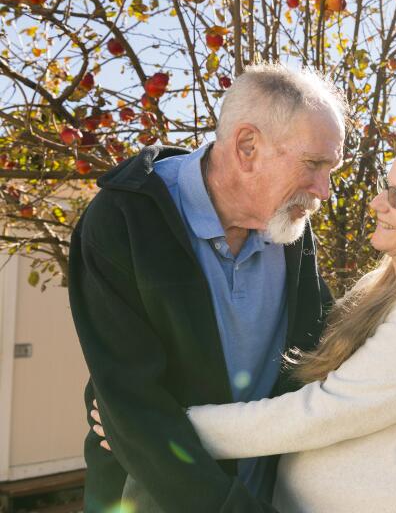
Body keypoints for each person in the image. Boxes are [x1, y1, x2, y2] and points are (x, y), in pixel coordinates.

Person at [92, 133, 396, 512]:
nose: (376, 203)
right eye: (383, 187)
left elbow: (323, 412)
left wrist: (155, 430)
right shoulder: (392, 287)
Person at [69, 63, 346, 511]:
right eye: (313, 164)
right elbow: (133, 407)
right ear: (247, 146)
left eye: (329, 168)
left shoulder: (290, 226)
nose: (325, 190)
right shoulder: (123, 219)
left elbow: (326, 348)